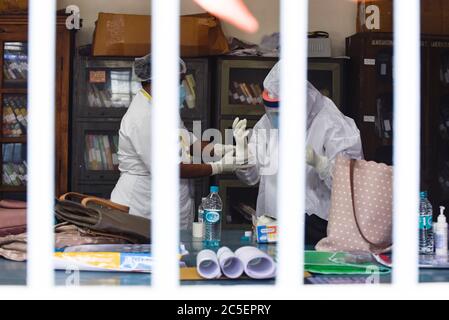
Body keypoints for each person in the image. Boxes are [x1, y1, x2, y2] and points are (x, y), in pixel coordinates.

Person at [111, 54, 245, 230]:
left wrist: (225, 149)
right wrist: (218, 167)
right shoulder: (143, 117)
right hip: (143, 204)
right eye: (179, 81)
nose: (182, 87)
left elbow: (187, 140)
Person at [236, 62, 364, 245]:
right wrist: (243, 157)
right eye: (271, 113)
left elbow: (354, 184)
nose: (275, 119)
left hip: (317, 232)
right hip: (272, 228)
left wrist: (322, 164)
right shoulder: (267, 123)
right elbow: (251, 178)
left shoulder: (331, 123)